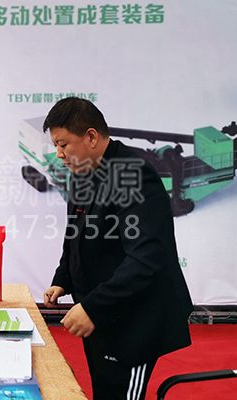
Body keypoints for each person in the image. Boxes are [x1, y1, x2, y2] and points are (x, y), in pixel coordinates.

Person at [42, 98, 193, 400]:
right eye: (55, 146)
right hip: (102, 313)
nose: (59, 154)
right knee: (104, 389)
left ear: (91, 137)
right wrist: (63, 278)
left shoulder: (133, 176)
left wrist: (93, 307)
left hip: (134, 321)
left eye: (63, 144)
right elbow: (76, 234)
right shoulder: (83, 172)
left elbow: (146, 258)